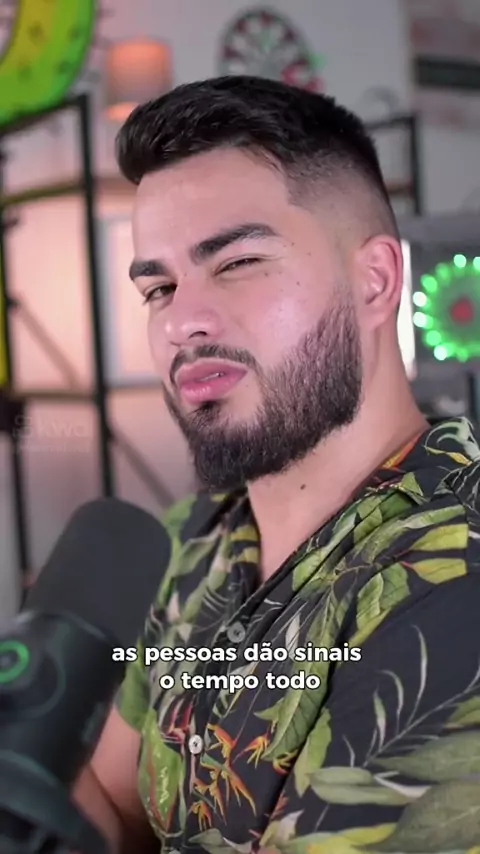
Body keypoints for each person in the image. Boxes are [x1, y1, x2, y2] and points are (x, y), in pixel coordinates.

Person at [72, 76, 480, 853]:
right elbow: (119, 815)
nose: (183, 321)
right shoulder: (192, 537)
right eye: (159, 287)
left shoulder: (455, 581)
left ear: (375, 281)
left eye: (236, 262)